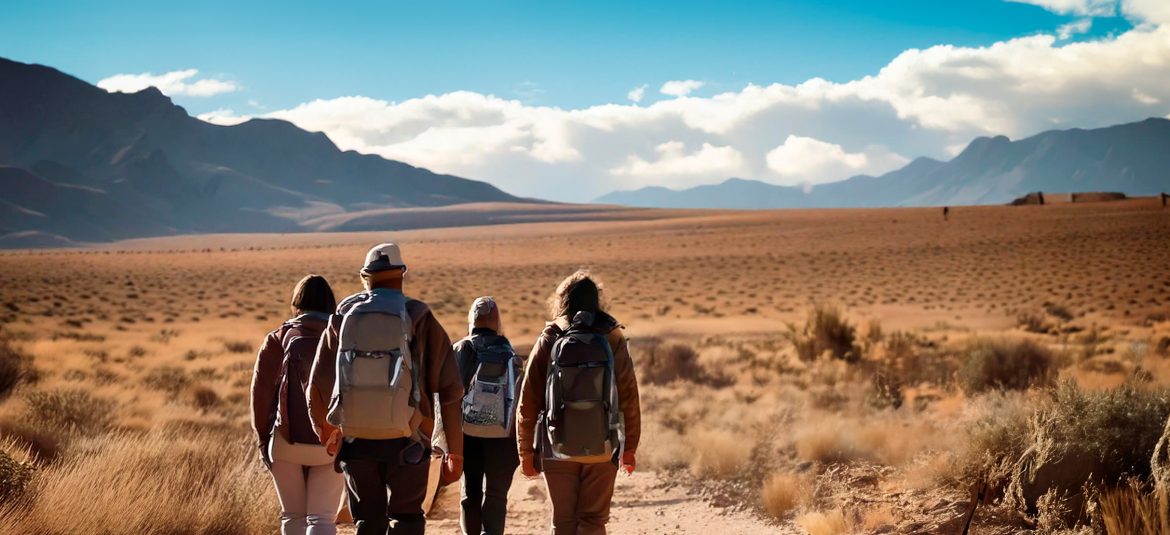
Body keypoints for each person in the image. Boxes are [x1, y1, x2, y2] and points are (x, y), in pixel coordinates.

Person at [306, 243, 465, 535]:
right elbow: (451, 390)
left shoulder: (343, 316)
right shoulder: (419, 316)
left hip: (356, 442)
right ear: (402, 274)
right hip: (409, 440)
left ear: (365, 277)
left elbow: (316, 385)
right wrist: (456, 451)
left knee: (368, 521)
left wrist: (326, 432)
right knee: (407, 519)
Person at [516, 270, 641, 535]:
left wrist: (526, 452)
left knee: (563, 522)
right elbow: (629, 395)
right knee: (594, 520)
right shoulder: (612, 336)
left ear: (563, 301)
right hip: (604, 443)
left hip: (556, 443)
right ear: (597, 301)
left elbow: (528, 399)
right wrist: (629, 447)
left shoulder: (551, 337)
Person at [251, 274, 345, 535]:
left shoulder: (278, 338)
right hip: (332, 440)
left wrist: (262, 440)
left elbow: (259, 397)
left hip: (285, 442)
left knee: (292, 517)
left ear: (297, 301)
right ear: (330, 303)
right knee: (322, 519)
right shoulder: (343, 337)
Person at [454, 297, 523, 535]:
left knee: (470, 492)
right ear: (497, 322)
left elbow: (449, 396)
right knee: (496, 494)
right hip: (502, 436)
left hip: (467, 435)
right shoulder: (509, 352)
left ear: (471, 321)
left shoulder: (462, 348)